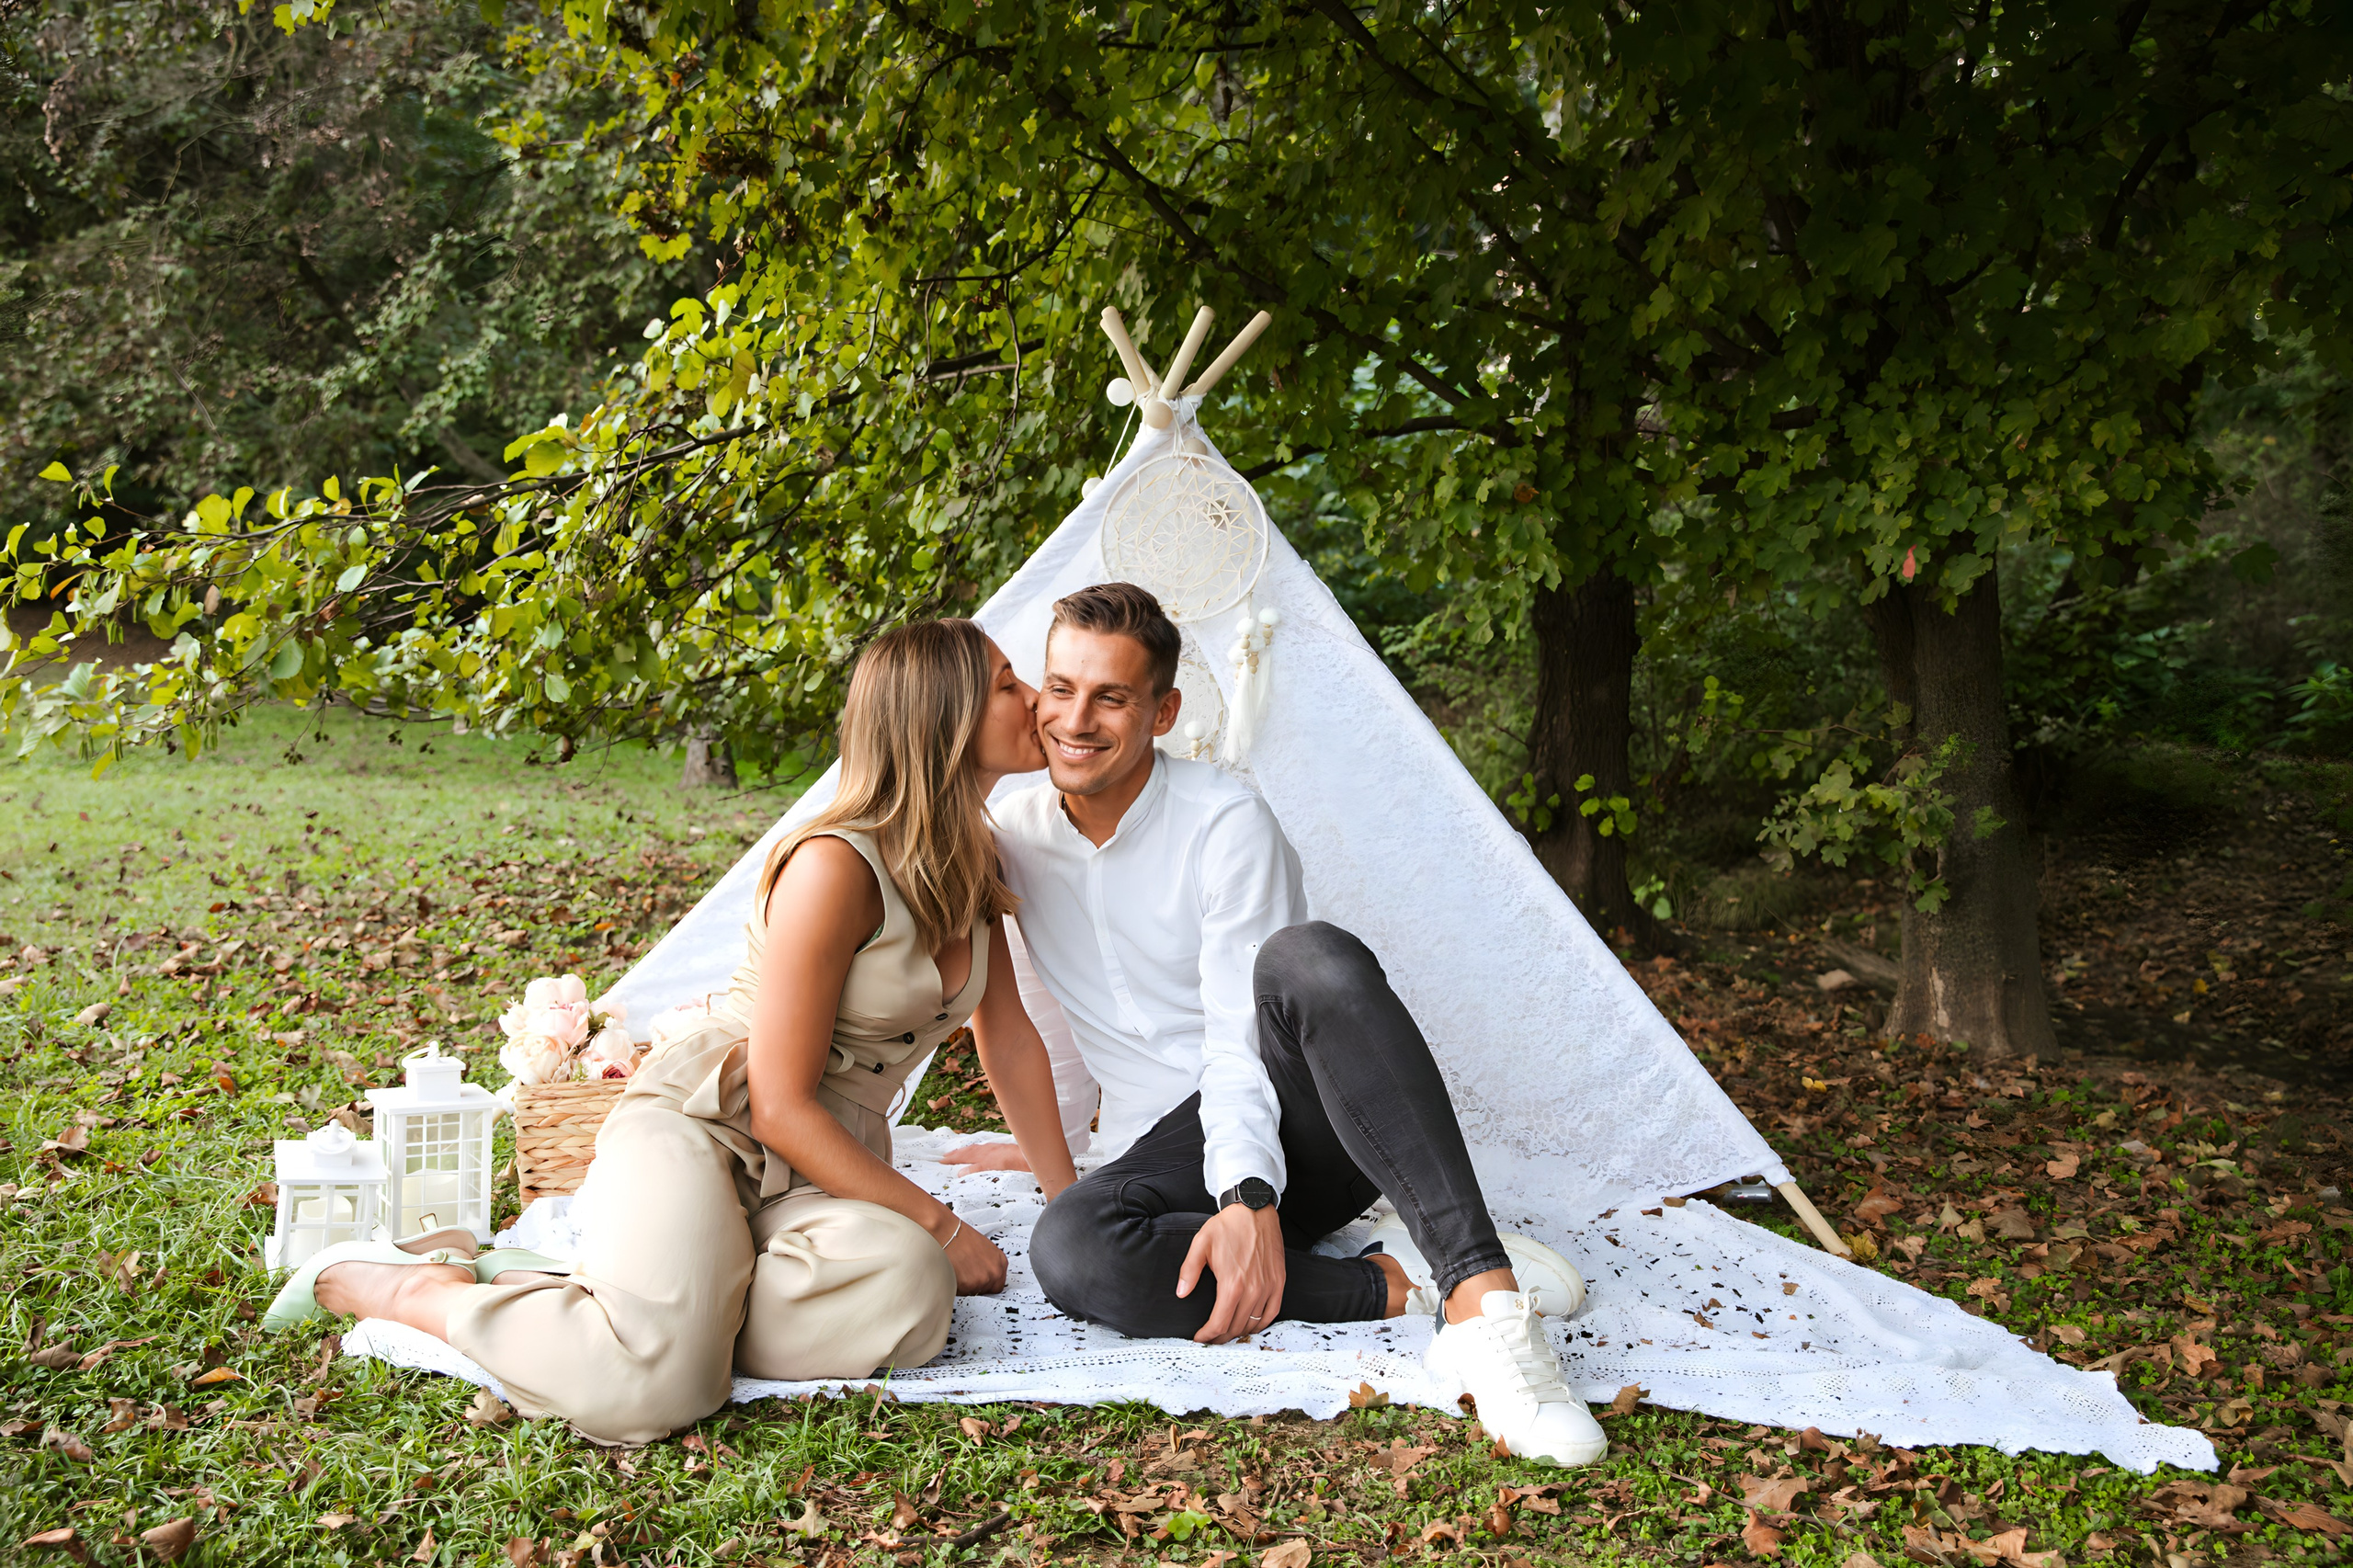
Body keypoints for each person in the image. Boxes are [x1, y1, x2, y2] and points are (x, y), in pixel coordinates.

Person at [262, 619, 1078, 1445]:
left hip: (828, 1163)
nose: (1035, 700)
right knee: (659, 1391)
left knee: (909, 1289)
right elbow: (779, 1106)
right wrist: (942, 1224)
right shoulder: (835, 866)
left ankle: (636, 1304)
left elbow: (1008, 1040)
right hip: (703, 1126)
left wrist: (1067, 1203)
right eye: (1008, 684)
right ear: (943, 717)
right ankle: (416, 1290)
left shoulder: (972, 859)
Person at [946, 583, 1608, 1467]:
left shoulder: (1225, 821)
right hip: (1160, 1156)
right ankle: (1391, 1282)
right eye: (1060, 688)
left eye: (1112, 697)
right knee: (1071, 1246)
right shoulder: (1009, 835)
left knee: (1309, 958)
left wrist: (1247, 1194)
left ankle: (1480, 1297)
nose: (1076, 719)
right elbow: (1037, 1018)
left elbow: (1237, 1037)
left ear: (1163, 712)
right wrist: (1055, 1160)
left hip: (1299, 1126)